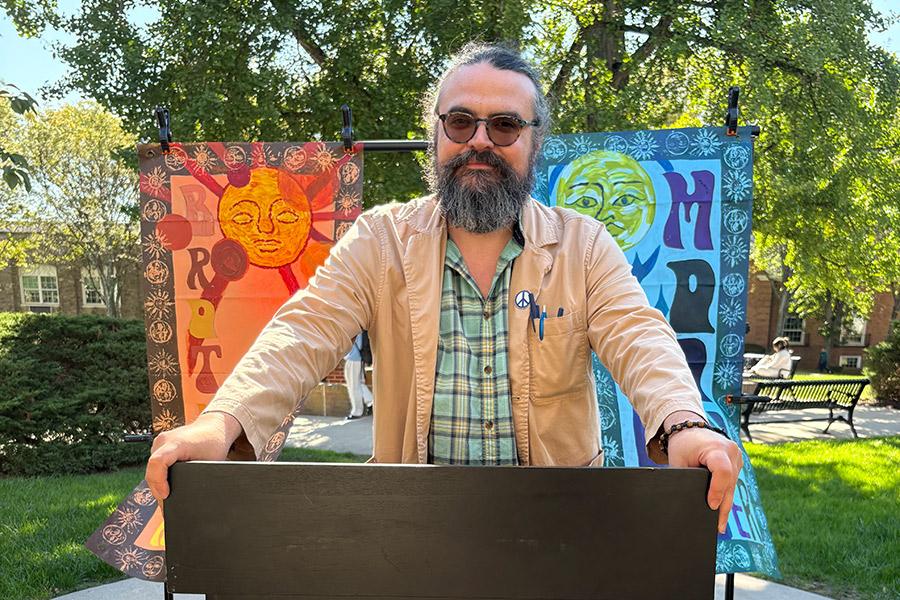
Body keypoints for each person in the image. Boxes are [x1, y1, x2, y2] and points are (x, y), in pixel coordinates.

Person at [146, 42, 742, 534]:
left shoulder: (584, 246)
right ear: (437, 134)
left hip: (557, 531)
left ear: (535, 143)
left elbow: (640, 336)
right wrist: (222, 421)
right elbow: (302, 332)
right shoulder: (380, 240)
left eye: (506, 125)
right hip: (410, 532)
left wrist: (682, 424)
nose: (479, 140)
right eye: (461, 121)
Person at [344, 333, 373, 420]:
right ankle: (371, 402)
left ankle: (357, 411)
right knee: (359, 383)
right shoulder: (360, 327)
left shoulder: (355, 326)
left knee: (353, 386)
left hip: (354, 358)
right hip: (358, 358)